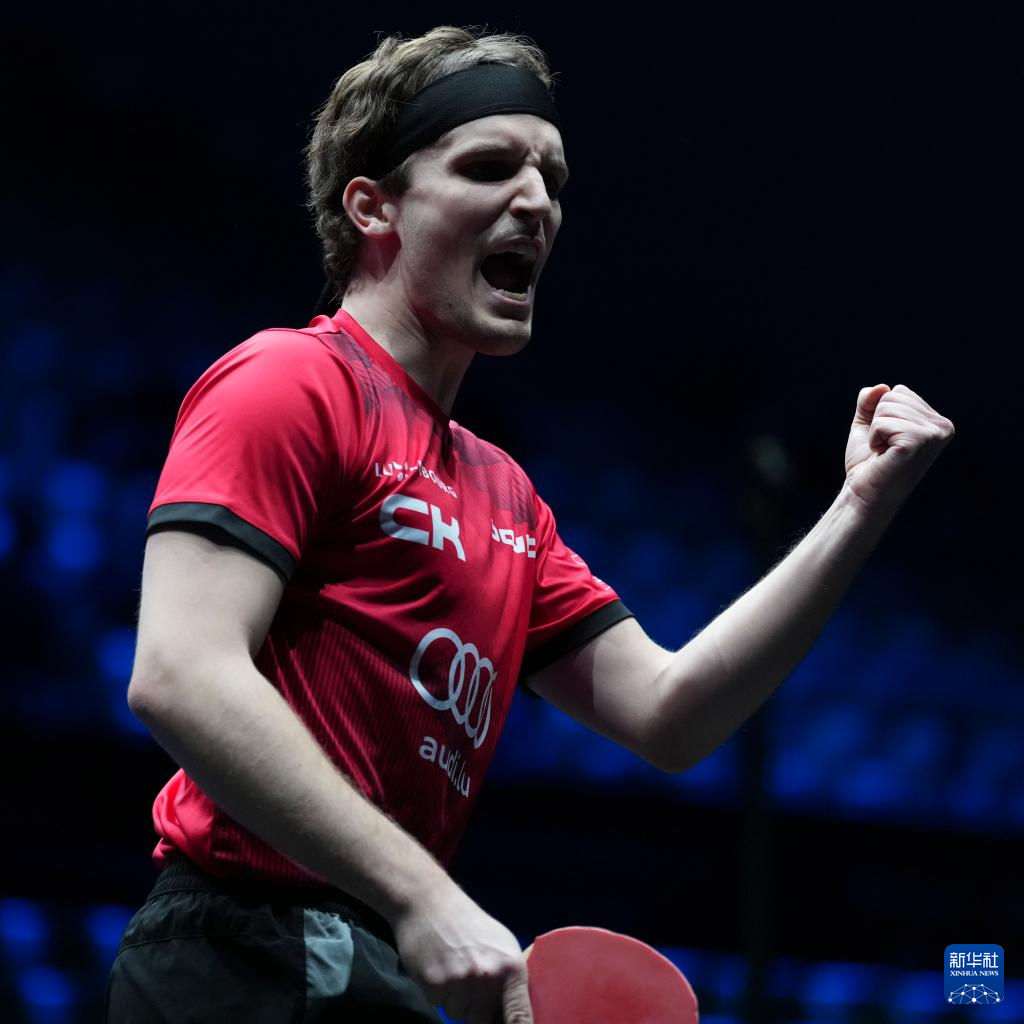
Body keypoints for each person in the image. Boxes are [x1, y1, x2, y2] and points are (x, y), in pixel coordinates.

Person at [105, 24, 954, 1024]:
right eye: (489, 167)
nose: (537, 202)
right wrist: (425, 895)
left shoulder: (503, 496)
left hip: (376, 953)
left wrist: (860, 505)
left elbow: (673, 713)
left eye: (551, 178)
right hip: (243, 946)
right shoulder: (292, 381)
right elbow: (181, 673)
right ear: (373, 206)